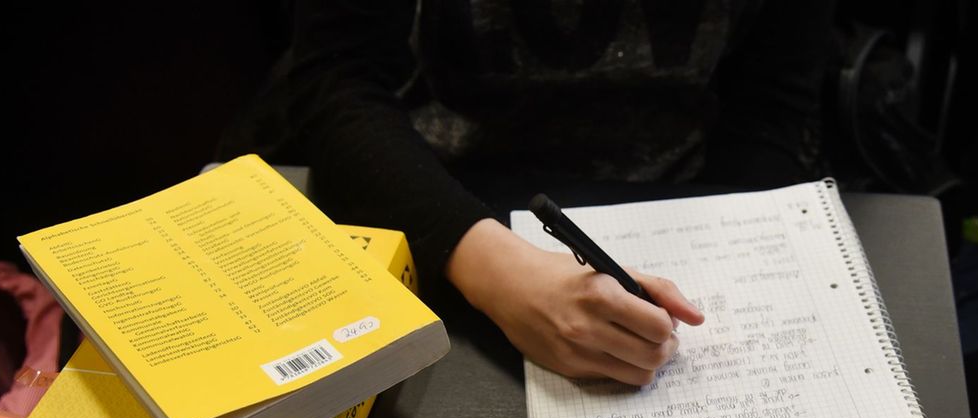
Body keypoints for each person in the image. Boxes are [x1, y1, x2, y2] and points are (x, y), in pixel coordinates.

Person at [225, 0, 833, 385]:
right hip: (427, 213)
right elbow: (335, 88)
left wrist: (736, 236)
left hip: (689, 214)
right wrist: (495, 271)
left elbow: (772, 104)